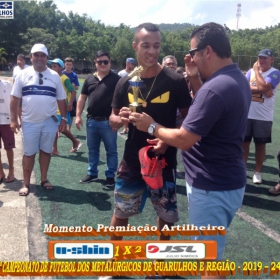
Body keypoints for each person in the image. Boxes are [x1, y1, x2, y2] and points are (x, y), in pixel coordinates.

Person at [130, 22, 251, 271]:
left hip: (212, 184)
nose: (192, 59)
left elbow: (186, 138)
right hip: (226, 179)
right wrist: (195, 78)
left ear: (207, 51)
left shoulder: (216, 88)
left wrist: (152, 127)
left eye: (193, 52)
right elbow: (204, 122)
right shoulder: (235, 78)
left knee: (209, 259)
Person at [108, 22, 191, 254]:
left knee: (166, 216)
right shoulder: (124, 81)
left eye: (156, 45)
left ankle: (158, 266)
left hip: (164, 162)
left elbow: (189, 118)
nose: (152, 51)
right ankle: (112, 264)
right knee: (120, 213)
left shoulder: (175, 81)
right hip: (132, 160)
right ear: (135, 46)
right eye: (146, 45)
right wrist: (121, 118)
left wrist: (168, 139)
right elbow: (112, 120)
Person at [10, 43, 67, 196]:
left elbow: (62, 99)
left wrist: (64, 119)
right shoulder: (22, 74)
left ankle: (44, 179)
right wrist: (14, 120)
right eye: (36, 55)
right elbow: (15, 99)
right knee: (29, 153)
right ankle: (26, 183)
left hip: (49, 121)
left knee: (46, 151)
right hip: (29, 122)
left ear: (47, 58)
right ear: (31, 57)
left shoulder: (55, 76)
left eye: (43, 55)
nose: (40, 58)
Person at [76, 50, 120, 187]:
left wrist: (116, 119)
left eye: (105, 61)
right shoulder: (89, 79)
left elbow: (121, 100)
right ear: (95, 63)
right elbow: (82, 98)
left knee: (111, 150)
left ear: (110, 63)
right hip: (92, 121)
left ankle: (110, 176)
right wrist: (77, 116)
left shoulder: (116, 79)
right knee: (92, 149)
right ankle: (92, 173)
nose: (102, 64)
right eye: (99, 62)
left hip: (108, 122)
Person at [242, 49, 280, 184]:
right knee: (244, 143)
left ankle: (257, 172)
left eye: (265, 58)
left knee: (260, 145)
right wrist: (262, 89)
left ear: (272, 59)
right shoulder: (249, 72)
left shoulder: (275, 72)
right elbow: (243, 87)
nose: (261, 60)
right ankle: (243, 169)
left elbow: (265, 86)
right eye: (260, 58)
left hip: (263, 117)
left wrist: (257, 72)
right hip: (247, 114)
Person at [50, 58, 82, 156]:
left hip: (61, 107)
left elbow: (73, 91)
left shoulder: (64, 78)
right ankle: (55, 149)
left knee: (60, 128)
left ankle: (74, 141)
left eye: (55, 66)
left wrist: (70, 104)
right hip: (53, 107)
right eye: (52, 66)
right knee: (55, 128)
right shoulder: (53, 77)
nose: (52, 68)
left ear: (60, 67)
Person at [0, 79, 15, 183]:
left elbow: (16, 102)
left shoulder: (8, 85)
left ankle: (11, 170)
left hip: (6, 121)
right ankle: (1, 172)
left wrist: (16, 119)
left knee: (8, 148)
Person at [118, 58, 136, 135]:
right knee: (125, 112)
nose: (133, 66)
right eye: (132, 64)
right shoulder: (121, 73)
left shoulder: (135, 73)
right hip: (123, 96)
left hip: (132, 96)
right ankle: (125, 128)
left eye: (134, 64)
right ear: (127, 64)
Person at [62, 57, 80, 131]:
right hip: (62, 98)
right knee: (62, 113)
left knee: (71, 114)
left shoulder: (74, 75)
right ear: (64, 65)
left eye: (70, 64)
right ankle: (63, 128)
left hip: (72, 99)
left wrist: (73, 86)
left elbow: (77, 87)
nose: (68, 66)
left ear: (72, 66)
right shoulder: (61, 73)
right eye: (67, 64)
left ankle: (69, 129)